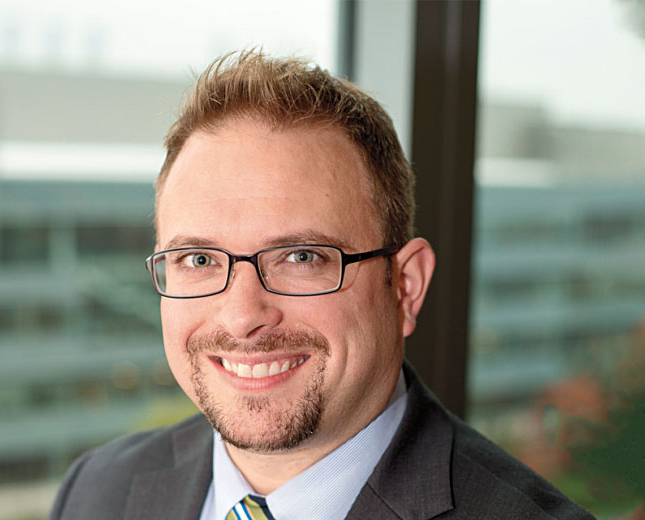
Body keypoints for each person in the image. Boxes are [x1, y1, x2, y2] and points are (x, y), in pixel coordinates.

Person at [49, 50, 593, 520]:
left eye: (301, 256)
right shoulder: (97, 492)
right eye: (198, 259)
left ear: (405, 286)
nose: (242, 316)